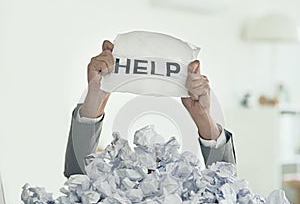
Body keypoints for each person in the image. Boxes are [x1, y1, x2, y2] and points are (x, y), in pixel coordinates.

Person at [64, 40, 235, 178]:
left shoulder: (187, 198)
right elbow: (76, 179)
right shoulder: (106, 195)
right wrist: (96, 97)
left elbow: (228, 186)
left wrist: (203, 116)